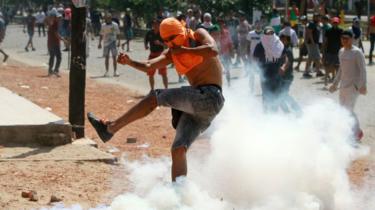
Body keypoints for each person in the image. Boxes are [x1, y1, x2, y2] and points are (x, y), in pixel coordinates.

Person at [87, 17, 224, 182]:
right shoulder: (173, 51)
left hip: (210, 96)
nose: (171, 44)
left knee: (155, 97)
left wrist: (184, 51)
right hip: (199, 105)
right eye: (167, 41)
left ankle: (110, 129)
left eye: (172, 39)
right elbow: (149, 66)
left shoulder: (198, 35)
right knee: (178, 149)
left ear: (181, 30)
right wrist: (130, 62)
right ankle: (180, 196)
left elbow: (213, 50)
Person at [329, 30, 367, 141]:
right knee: (343, 110)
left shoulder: (357, 52)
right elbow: (341, 69)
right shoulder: (341, 51)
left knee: (348, 110)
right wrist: (335, 83)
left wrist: (362, 85)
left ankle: (357, 132)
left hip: (354, 86)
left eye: (346, 38)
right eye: (342, 38)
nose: (344, 40)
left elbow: (363, 70)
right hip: (343, 86)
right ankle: (350, 130)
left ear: (352, 39)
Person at [253, 26, 285, 112]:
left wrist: (283, 67)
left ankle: (274, 112)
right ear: (264, 34)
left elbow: (285, 58)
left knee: (277, 92)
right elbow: (255, 58)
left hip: (276, 71)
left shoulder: (279, 45)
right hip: (264, 72)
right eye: (267, 33)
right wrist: (257, 68)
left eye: (271, 33)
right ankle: (266, 112)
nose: (269, 35)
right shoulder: (260, 45)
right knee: (266, 92)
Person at [279, 34, 301, 114]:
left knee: (282, 95)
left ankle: (296, 109)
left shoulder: (288, 50)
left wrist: (283, 68)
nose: (281, 41)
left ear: (287, 41)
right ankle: (288, 112)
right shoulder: (281, 50)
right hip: (281, 77)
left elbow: (288, 62)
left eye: (283, 40)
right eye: (280, 39)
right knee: (279, 95)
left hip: (287, 77)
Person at [144, 19, 168, 90]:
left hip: (161, 56)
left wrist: (160, 43)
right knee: (150, 74)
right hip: (152, 55)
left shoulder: (162, 33)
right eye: (153, 24)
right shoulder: (149, 32)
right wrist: (145, 45)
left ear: (159, 25)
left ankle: (166, 89)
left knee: (164, 74)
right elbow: (145, 39)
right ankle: (152, 90)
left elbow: (167, 46)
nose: (155, 25)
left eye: (156, 24)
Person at [322, 17, 343, 86]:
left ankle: (336, 82)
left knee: (337, 67)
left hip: (338, 51)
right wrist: (323, 50)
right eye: (334, 22)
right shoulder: (328, 31)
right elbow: (325, 41)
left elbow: (342, 41)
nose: (335, 24)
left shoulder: (341, 31)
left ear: (338, 23)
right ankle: (326, 79)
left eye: (336, 23)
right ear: (332, 23)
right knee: (328, 66)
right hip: (329, 51)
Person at [303, 13, 323, 78]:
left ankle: (312, 71)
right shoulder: (312, 24)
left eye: (319, 17)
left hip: (314, 43)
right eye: (317, 17)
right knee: (316, 57)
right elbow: (309, 32)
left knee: (311, 57)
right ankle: (317, 71)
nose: (318, 18)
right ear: (314, 17)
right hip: (312, 43)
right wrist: (312, 42)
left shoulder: (316, 24)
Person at [218, 18, 233, 86]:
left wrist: (231, 52)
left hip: (226, 53)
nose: (220, 25)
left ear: (223, 24)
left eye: (221, 23)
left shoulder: (227, 32)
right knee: (218, 70)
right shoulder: (215, 32)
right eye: (219, 23)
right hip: (218, 54)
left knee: (227, 68)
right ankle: (219, 84)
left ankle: (229, 83)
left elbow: (230, 43)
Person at [47, 9, 62, 77]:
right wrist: (63, 40)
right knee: (59, 57)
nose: (59, 18)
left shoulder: (51, 23)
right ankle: (56, 70)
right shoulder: (55, 24)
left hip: (50, 43)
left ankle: (50, 70)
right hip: (55, 43)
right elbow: (56, 33)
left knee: (52, 57)